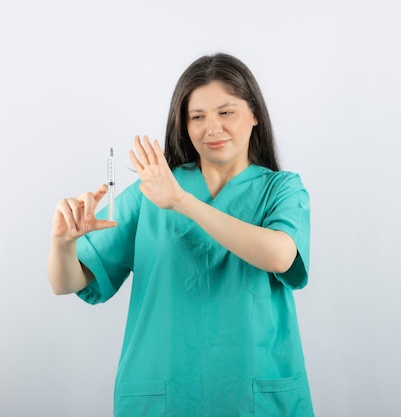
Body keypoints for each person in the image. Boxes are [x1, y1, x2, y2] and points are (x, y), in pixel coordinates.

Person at [47, 53, 314, 417]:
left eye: (226, 112)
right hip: (166, 396)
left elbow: (281, 256)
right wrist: (63, 244)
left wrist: (183, 203)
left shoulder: (282, 190)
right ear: (184, 125)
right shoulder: (150, 193)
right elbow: (69, 282)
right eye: (197, 117)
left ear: (254, 114)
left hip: (253, 397)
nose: (212, 128)